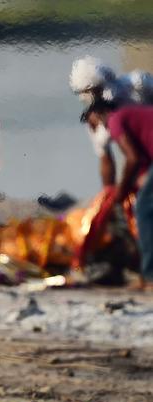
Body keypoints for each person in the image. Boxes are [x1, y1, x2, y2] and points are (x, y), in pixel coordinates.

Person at [81, 99, 153, 286]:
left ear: (100, 113)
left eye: (93, 124)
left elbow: (133, 159)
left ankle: (149, 275)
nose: (97, 130)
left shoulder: (115, 120)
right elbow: (143, 160)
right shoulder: (132, 114)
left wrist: (121, 192)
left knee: (144, 211)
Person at [70, 56, 153, 188]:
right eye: (87, 91)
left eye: (95, 89)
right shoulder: (95, 120)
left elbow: (131, 158)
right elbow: (106, 158)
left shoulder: (137, 82)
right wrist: (108, 196)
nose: (93, 94)